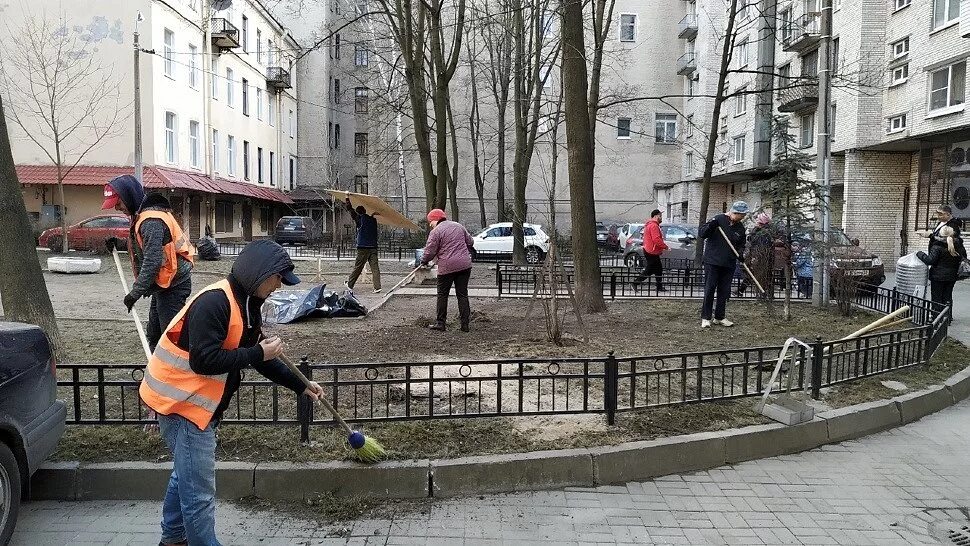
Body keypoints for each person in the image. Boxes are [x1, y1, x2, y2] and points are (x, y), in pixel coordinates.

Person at [139, 239, 324, 546]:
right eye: (278, 278)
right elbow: (204, 361)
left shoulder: (247, 305)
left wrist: (301, 385)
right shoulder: (215, 303)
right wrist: (257, 353)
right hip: (180, 406)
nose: (280, 286)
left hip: (195, 405)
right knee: (198, 492)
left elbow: (260, 358)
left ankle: (172, 539)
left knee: (185, 475)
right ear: (260, 273)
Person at [102, 174, 194, 352]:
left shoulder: (151, 220)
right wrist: (119, 243)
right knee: (154, 334)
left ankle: (176, 375)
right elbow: (145, 245)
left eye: (118, 203)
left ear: (128, 196)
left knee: (171, 338)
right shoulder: (143, 215)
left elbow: (152, 262)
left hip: (173, 285)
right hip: (164, 285)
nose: (117, 208)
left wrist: (134, 294)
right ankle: (158, 370)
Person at [420, 208, 474, 332]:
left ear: (436, 219)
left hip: (447, 267)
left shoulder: (436, 231)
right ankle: (465, 324)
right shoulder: (459, 226)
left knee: (443, 294)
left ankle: (440, 323)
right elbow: (470, 241)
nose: (430, 224)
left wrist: (423, 261)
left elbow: (430, 250)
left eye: (431, 221)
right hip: (464, 265)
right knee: (462, 294)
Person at [697, 201, 748, 328]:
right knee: (709, 289)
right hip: (712, 261)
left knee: (724, 291)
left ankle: (719, 317)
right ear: (734, 212)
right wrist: (711, 226)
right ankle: (706, 317)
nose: (743, 217)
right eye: (741, 215)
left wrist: (740, 254)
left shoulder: (740, 227)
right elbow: (702, 233)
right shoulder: (718, 219)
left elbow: (741, 244)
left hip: (729, 263)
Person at [917, 225, 967, 308]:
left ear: (940, 234)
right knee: (947, 296)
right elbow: (963, 257)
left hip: (938, 276)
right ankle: (947, 318)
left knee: (937, 298)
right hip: (952, 275)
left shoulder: (937, 246)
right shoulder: (958, 245)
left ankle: (936, 317)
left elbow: (930, 260)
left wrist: (920, 254)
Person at [345, 197, 382, 293]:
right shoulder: (373, 220)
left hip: (362, 247)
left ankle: (349, 285)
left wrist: (347, 198)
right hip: (373, 247)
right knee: (375, 268)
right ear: (365, 211)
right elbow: (371, 219)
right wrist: (373, 214)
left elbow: (350, 209)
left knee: (358, 267)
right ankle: (377, 287)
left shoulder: (359, 219)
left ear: (358, 213)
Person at [633, 209, 668, 292]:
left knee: (659, 269)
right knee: (650, 269)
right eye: (660, 216)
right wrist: (665, 247)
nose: (661, 218)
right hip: (651, 251)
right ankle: (635, 282)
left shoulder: (651, 225)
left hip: (650, 250)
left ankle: (659, 287)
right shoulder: (654, 226)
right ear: (656, 216)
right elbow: (656, 239)